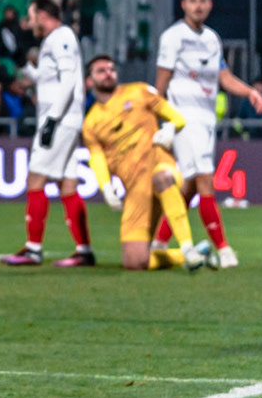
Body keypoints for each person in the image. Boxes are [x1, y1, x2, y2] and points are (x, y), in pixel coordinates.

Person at [153, 0, 262, 268]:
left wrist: (250, 91)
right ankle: (223, 249)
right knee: (204, 180)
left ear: (210, 4)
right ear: (184, 5)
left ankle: (160, 242)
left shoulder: (212, 39)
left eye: (202, 0)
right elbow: (161, 82)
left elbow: (223, 78)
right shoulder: (173, 37)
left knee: (189, 187)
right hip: (182, 118)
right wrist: (161, 120)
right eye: (192, 0)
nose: (198, 5)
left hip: (205, 120)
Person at [80, 55, 213, 271]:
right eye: (101, 71)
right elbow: (96, 157)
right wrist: (106, 188)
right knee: (135, 262)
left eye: (111, 69)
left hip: (159, 167)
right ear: (89, 81)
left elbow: (176, 117)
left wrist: (171, 128)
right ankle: (189, 254)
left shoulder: (139, 91)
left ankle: (188, 247)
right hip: (135, 189)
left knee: (163, 177)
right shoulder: (91, 122)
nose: (108, 74)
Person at [2, 0, 93, 267]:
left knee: (36, 179)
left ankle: (33, 248)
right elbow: (45, 78)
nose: (29, 24)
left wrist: (52, 120)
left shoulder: (61, 37)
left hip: (60, 119)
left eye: (31, 18)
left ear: (43, 16)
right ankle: (83, 250)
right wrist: (21, 61)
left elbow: (68, 82)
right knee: (67, 184)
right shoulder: (55, 40)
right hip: (65, 119)